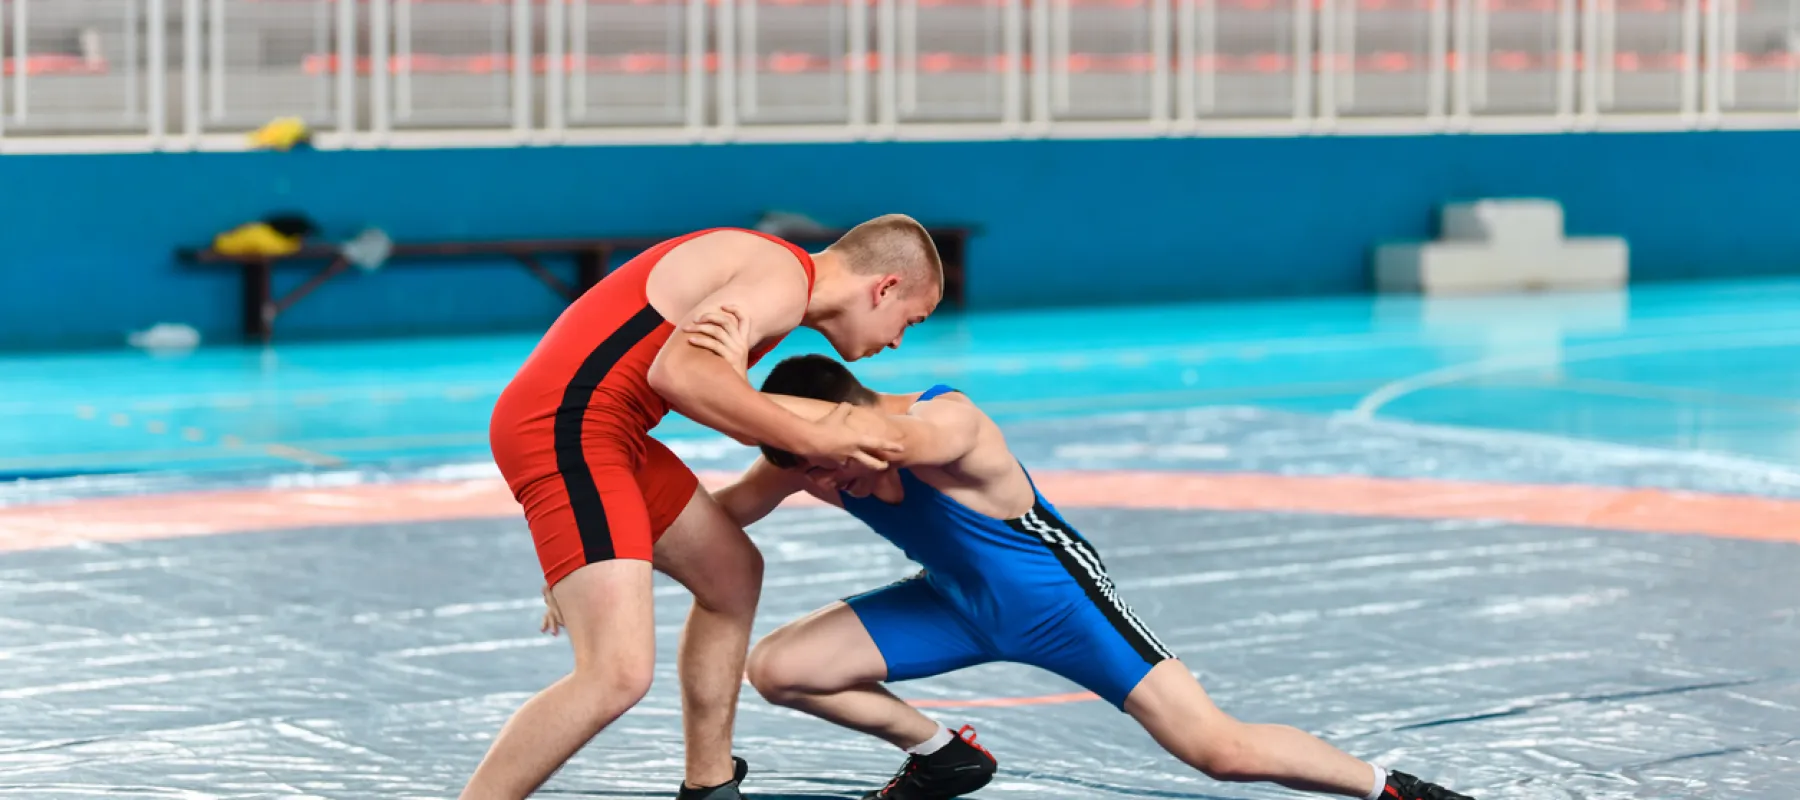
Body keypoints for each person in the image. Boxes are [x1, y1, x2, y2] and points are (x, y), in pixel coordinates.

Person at [548, 306, 1477, 800]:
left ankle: (1388, 789)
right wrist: (599, 561)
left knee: (1220, 751)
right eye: (819, 479)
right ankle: (944, 756)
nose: (835, 489)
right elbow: (711, 517)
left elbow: (908, 440)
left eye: (836, 470)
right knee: (782, 667)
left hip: (1062, 601)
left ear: (855, 417)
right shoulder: (820, 457)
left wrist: (732, 386)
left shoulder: (945, 421)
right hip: (950, 601)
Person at [471, 217, 945, 800]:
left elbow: (697, 385)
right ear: (885, 287)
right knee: (615, 675)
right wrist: (816, 438)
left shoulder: (774, 281)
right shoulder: (781, 278)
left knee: (732, 575)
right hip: (568, 429)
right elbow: (680, 375)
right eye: (910, 321)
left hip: (612, 436)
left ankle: (709, 785)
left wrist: (592, 553)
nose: (898, 341)